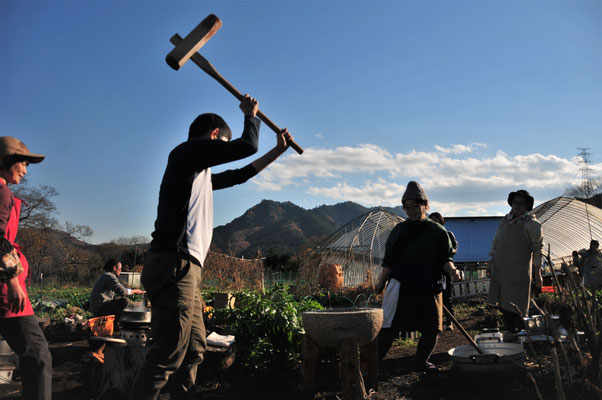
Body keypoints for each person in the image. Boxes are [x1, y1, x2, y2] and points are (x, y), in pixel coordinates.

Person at [129, 95, 294, 400]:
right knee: (169, 353)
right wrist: (250, 116)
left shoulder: (198, 173)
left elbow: (239, 175)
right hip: (174, 264)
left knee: (193, 349)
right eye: (222, 145)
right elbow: (246, 146)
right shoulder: (185, 154)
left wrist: (277, 151)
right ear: (215, 136)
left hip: (186, 269)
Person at [375, 181, 461, 373]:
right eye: (407, 208)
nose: (411, 211)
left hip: (430, 287)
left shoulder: (437, 232)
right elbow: (389, 261)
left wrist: (452, 270)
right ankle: (374, 363)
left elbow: (445, 259)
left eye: (415, 206)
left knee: (433, 328)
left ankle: (421, 361)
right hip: (402, 286)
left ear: (425, 205)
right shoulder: (399, 231)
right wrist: (381, 282)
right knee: (389, 327)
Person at [0, 137, 52, 400]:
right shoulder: (1, 191)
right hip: (6, 294)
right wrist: (12, 281)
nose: (25, 170)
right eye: (23, 162)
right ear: (7, 162)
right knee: (38, 355)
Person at [487, 189, 543, 333]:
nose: (517, 206)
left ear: (527, 205)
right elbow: (496, 242)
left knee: (517, 304)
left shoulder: (532, 224)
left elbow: (537, 249)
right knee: (503, 303)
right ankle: (510, 333)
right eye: (514, 202)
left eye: (521, 203)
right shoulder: (505, 221)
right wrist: (491, 262)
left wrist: (538, 271)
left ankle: (520, 337)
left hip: (518, 270)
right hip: (501, 268)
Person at [429, 212, 458, 331]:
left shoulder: (447, 234)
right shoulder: (427, 236)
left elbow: (453, 249)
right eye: (432, 220)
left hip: (444, 269)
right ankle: (435, 322)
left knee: (446, 296)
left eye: (436, 220)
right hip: (431, 270)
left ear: (441, 221)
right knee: (431, 297)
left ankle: (449, 321)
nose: (434, 222)